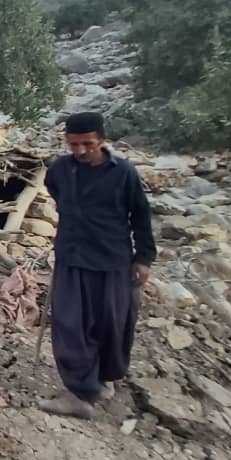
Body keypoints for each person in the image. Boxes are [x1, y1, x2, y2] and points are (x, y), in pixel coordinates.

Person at [39, 111, 156, 420]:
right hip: (72, 258)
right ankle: (79, 394)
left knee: (112, 325)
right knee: (70, 325)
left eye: (86, 144)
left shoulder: (124, 173)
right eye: (72, 144)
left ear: (102, 141)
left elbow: (140, 216)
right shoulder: (60, 169)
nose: (79, 150)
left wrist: (143, 258)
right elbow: (55, 193)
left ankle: (103, 379)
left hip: (113, 260)